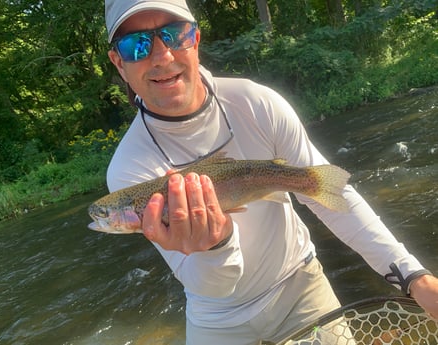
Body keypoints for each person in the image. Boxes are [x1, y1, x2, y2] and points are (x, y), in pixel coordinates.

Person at [104, 0, 438, 344]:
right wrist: (216, 246)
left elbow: (331, 196)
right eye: (136, 44)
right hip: (218, 318)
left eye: (174, 35)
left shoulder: (256, 103)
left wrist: (413, 276)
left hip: (300, 286)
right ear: (118, 61)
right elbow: (211, 284)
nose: (162, 56)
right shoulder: (130, 170)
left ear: (196, 39)